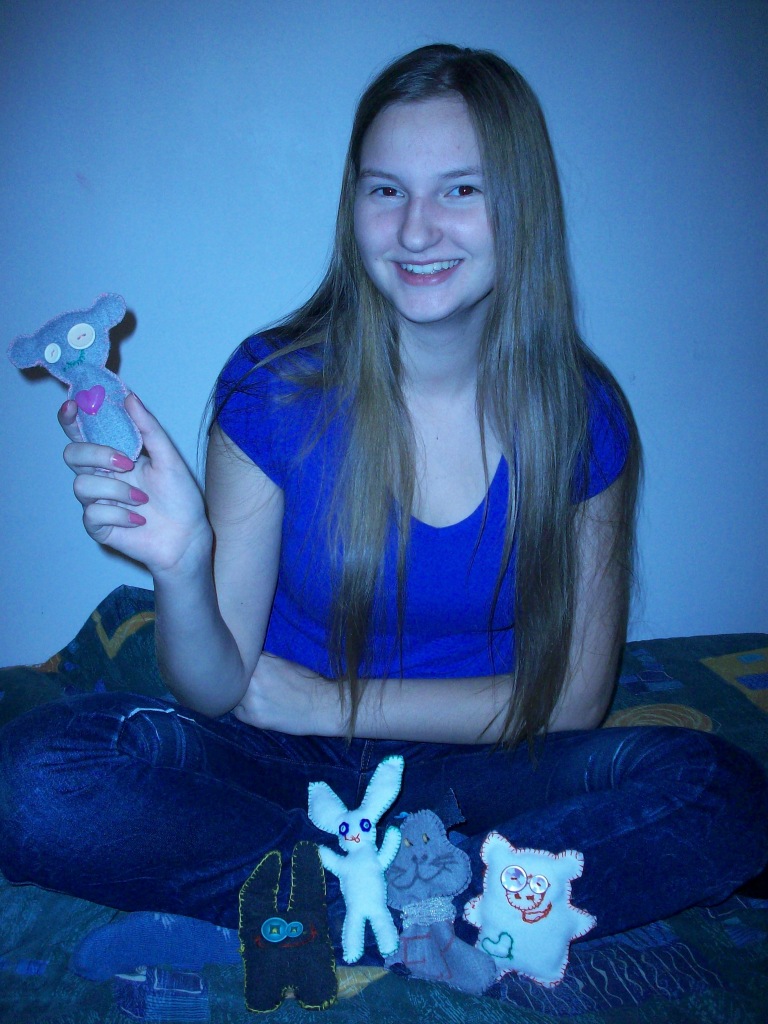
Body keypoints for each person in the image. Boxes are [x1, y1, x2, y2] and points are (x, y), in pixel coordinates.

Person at [1, 44, 766, 980]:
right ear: (352, 205)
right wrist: (183, 564)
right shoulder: (273, 390)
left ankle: (322, 898)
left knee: (721, 789)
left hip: (481, 776)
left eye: (461, 190)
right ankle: (439, 904)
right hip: (280, 763)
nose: (415, 229)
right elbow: (216, 687)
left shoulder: (583, 417)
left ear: (520, 205)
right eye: (386, 191)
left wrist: (332, 700)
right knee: (35, 778)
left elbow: (572, 701)